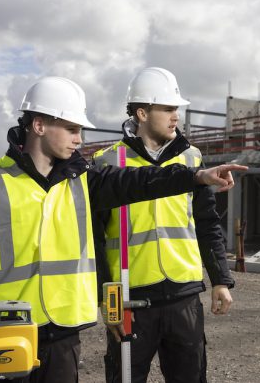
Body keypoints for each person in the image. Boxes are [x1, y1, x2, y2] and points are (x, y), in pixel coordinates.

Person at [0, 76, 246, 383]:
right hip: (3, 327)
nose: (79, 139)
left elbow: (141, 182)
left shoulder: (85, 180)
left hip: (64, 332)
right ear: (40, 126)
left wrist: (198, 177)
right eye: (71, 129)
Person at [92, 67, 235, 383]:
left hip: (183, 296)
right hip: (131, 298)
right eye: (168, 108)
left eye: (177, 109)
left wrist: (221, 280)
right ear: (142, 112)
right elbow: (95, 239)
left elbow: (207, 223)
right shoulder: (108, 162)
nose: (176, 116)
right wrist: (107, 299)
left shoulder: (191, 159)